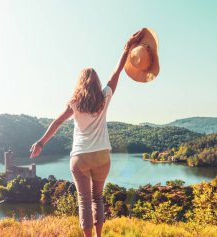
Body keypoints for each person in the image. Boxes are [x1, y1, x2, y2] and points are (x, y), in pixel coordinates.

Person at [29, 29, 145, 237]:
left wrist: (41, 142)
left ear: (80, 83)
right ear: (96, 83)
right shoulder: (104, 97)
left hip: (80, 157)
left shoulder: (74, 103)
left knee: (84, 200)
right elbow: (116, 73)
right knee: (97, 198)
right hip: (102, 156)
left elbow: (56, 123)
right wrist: (127, 47)